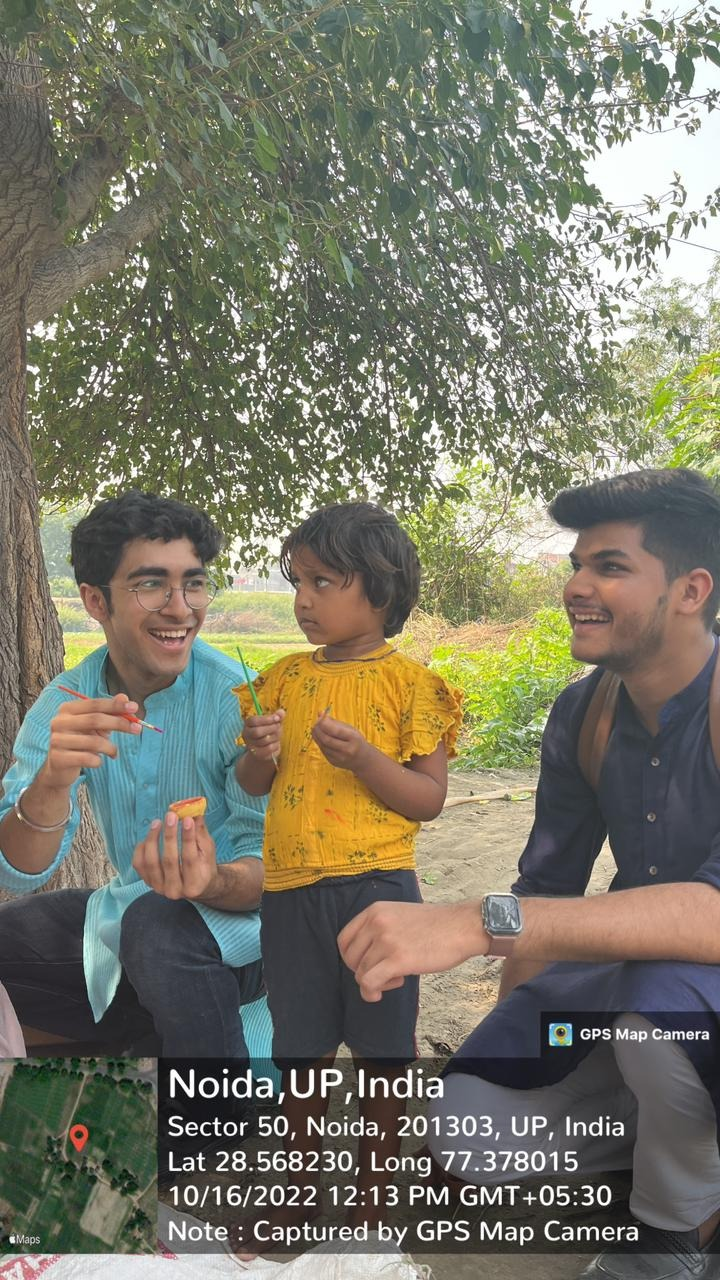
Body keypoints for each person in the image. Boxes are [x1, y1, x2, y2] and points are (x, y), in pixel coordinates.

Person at [339, 469, 720, 1280]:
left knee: (654, 1021)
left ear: (691, 591)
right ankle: (670, 1132)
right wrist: (517, 1038)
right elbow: (546, 892)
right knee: (466, 1131)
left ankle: (675, 1227)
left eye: (610, 567)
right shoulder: (586, 713)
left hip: (674, 1011)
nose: (576, 586)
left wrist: (476, 921)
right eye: (578, 565)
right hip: (628, 1003)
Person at [233, 501, 462, 1253]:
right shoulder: (283, 680)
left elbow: (427, 800)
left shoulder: (413, 687)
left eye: (322, 582)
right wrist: (260, 752)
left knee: (382, 1052)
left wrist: (365, 758)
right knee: (300, 1049)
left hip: (380, 893)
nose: (302, 599)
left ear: (380, 589)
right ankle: (299, 1197)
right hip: (290, 893)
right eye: (297, 581)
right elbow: (254, 785)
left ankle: (371, 1205)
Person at [0, 491, 271, 1062]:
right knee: (123, 919)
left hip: (251, 938)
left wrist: (210, 882)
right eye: (151, 585)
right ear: (95, 600)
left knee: (157, 928)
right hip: (133, 918)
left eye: (193, 584)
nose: (180, 609)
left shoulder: (240, 702)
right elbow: (19, 871)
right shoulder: (67, 703)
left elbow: (277, 873)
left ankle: (214, 1104)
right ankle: (137, 1041)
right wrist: (51, 783)